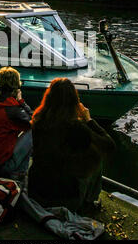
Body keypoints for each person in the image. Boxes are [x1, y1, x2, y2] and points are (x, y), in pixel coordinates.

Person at [27, 78, 115, 214]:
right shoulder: (76, 128)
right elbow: (109, 145)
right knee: (97, 155)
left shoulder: (38, 120)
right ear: (74, 101)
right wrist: (89, 120)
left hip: (35, 191)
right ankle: (88, 203)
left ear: (48, 97)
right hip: (63, 199)